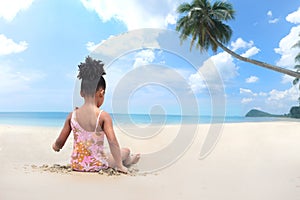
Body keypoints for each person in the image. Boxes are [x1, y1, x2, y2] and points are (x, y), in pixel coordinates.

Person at [52, 56, 140, 173]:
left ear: (81, 92)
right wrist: (119, 166)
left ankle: (127, 160)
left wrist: (56, 146)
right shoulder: (103, 116)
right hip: (97, 164)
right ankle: (127, 160)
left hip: (77, 165)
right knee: (125, 151)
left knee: (107, 153)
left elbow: (60, 142)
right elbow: (112, 141)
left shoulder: (72, 116)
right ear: (101, 93)